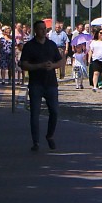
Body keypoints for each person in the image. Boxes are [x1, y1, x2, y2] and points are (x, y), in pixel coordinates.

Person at [19, 19, 65, 152]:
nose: (44, 31)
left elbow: (60, 61)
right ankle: (36, 142)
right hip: (36, 84)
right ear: (35, 31)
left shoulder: (51, 44)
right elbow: (23, 64)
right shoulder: (30, 46)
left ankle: (50, 135)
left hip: (51, 83)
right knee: (35, 113)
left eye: (45, 28)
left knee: (55, 112)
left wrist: (54, 66)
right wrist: (39, 66)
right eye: (41, 29)